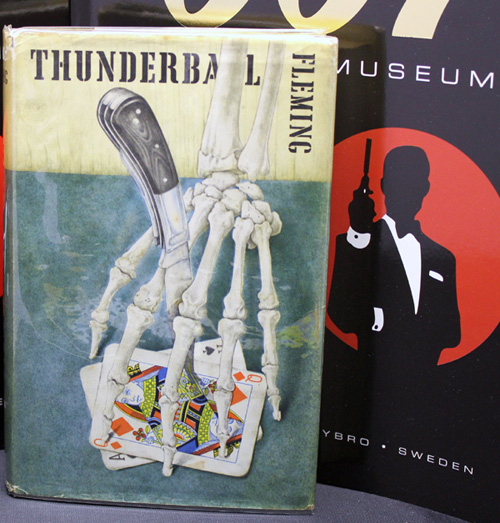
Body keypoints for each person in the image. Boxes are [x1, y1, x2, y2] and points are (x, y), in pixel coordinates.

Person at [328, 145, 461, 432]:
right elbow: (341, 315)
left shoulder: (443, 258)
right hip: (365, 393)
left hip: (425, 398)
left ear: (426, 188)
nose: (408, 191)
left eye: (415, 182)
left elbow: (453, 333)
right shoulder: (356, 242)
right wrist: (358, 232)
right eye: (401, 181)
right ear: (384, 185)